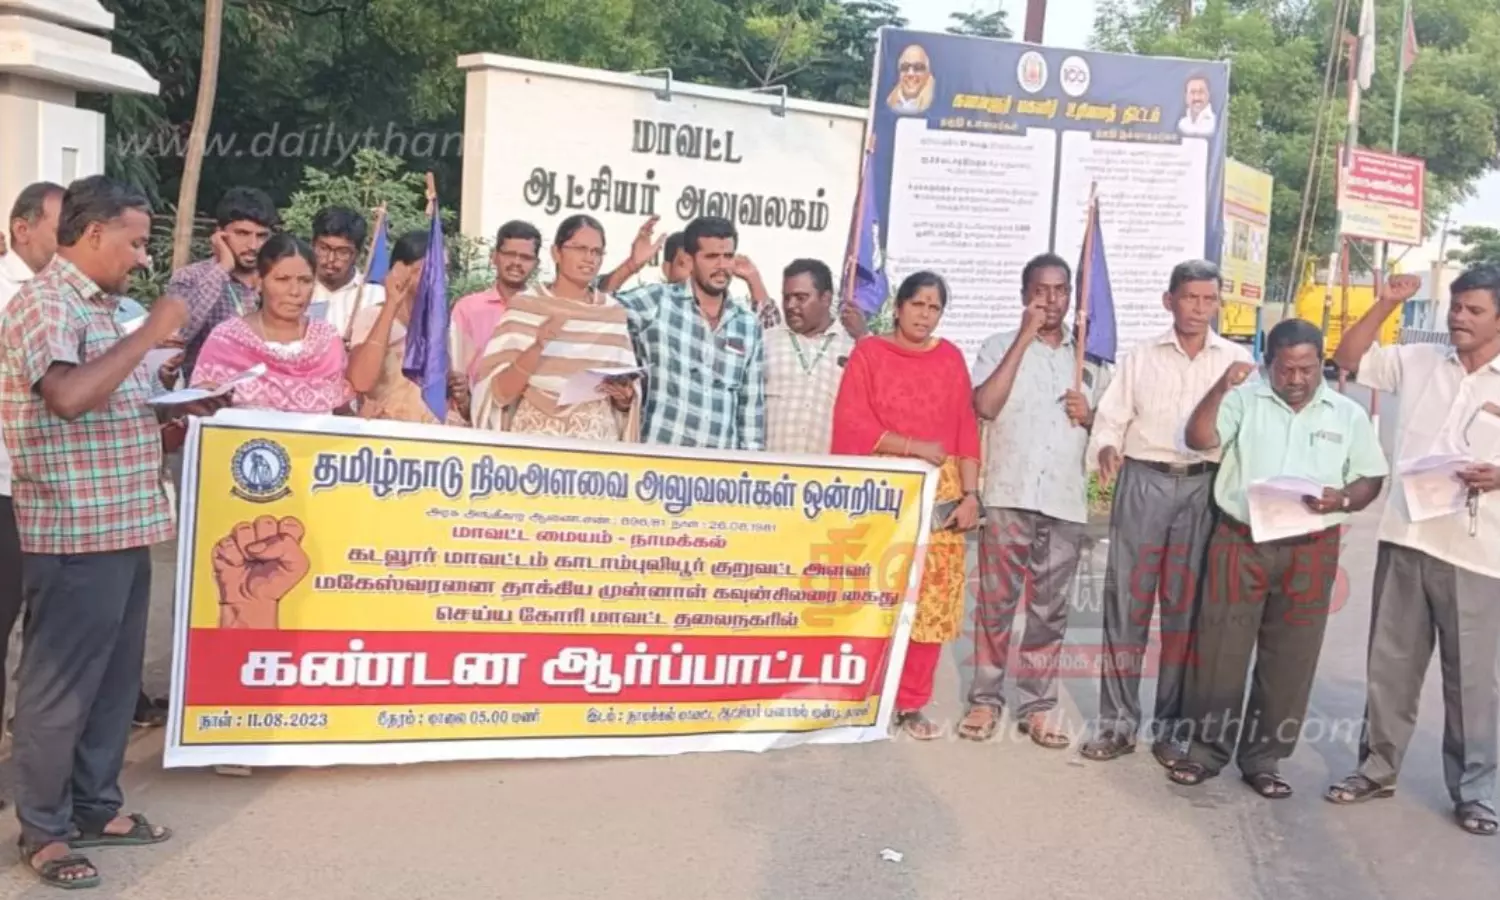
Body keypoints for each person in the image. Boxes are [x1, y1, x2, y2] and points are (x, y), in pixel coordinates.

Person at [0, 175, 191, 889]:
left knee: (112, 684)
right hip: (74, 530)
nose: (143, 258)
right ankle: (44, 831)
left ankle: (94, 807)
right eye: (136, 242)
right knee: (59, 690)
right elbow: (67, 396)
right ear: (93, 234)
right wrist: (149, 334)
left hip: (124, 520)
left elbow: (108, 404)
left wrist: (171, 413)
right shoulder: (46, 303)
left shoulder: (105, 309)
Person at [1167, 319, 1387, 798]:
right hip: (1241, 540)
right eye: (1286, 369)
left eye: (1307, 369)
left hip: (1311, 548)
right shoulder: (1245, 400)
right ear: (1269, 366)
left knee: (1291, 657)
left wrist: (1342, 499)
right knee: (1220, 649)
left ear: (1321, 365)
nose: (1297, 379)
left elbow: (1370, 477)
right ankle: (1205, 751)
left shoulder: (1346, 415)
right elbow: (1199, 438)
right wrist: (1220, 388)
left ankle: (1264, 759)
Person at [1325, 268, 1500, 837]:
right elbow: (1348, 358)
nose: (1459, 318)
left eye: (1474, 310)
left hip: (1478, 552)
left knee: (1472, 681)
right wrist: (1384, 304)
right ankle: (1376, 769)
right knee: (1390, 666)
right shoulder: (1421, 360)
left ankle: (1476, 792)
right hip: (1405, 537)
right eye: (1456, 307)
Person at [1080, 259, 1253, 765]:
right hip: (1144, 480)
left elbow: (1247, 431)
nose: (1199, 308)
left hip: (1203, 487)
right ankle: (1117, 724)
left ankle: (1172, 727)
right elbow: (1111, 418)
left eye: (1208, 299)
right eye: (1190, 298)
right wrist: (1107, 448)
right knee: (1127, 605)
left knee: (1184, 612)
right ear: (1169, 301)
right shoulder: (1141, 357)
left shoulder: (1237, 361)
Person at [958, 254, 1109, 748]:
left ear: (1071, 296)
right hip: (1009, 492)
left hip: (1063, 500)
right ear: (1024, 295)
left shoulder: (1090, 360)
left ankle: (1038, 706)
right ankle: (985, 700)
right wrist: (1023, 338)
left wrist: (1090, 416)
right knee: (996, 603)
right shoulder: (997, 345)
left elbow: (1111, 432)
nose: (1051, 300)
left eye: (1060, 290)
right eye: (1041, 290)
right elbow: (985, 406)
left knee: (1049, 610)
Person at [831, 270, 981, 739]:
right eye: (918, 304)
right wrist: (912, 447)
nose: (925, 315)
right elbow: (851, 422)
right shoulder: (870, 354)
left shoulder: (950, 358)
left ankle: (911, 702)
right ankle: (861, 693)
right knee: (876, 591)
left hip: (941, 491)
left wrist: (972, 495)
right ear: (898, 307)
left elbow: (965, 429)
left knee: (931, 598)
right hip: (884, 491)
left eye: (935, 307)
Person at [0, 181, 64, 775]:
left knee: (45, 626)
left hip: (51, 484)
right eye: (59, 227)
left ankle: (32, 759)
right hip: (5, 481)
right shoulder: (10, 295)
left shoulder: (67, 294)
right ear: (22, 229)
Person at [470, 215, 639, 440]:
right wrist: (537, 348)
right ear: (556, 253)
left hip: (596, 441)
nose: (589, 258)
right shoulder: (526, 307)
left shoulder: (611, 314)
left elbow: (625, 402)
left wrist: (624, 399)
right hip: (534, 439)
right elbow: (498, 395)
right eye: (579, 248)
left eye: (596, 252)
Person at [616, 215, 766, 450]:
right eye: (711, 257)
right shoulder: (658, 301)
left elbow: (750, 414)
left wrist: (750, 465)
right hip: (657, 459)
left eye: (728, 256)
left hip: (718, 466)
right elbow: (594, 308)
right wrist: (629, 267)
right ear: (689, 260)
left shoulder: (747, 324)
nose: (722, 266)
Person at [191, 234, 354, 415]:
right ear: (259, 281)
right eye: (282, 279)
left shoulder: (326, 340)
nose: (295, 291)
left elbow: (342, 409)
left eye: (305, 281)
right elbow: (199, 412)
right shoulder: (227, 340)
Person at [157, 187, 278, 387]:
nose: (253, 245)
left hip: (268, 393)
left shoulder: (277, 279)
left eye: (261, 236)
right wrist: (223, 268)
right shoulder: (190, 278)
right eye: (242, 233)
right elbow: (178, 336)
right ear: (219, 234)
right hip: (208, 395)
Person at [348, 230, 469, 425]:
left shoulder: (444, 327)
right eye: (432, 269)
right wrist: (391, 304)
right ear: (400, 270)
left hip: (437, 435)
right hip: (390, 431)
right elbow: (360, 381)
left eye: (445, 270)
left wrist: (462, 396)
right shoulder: (373, 317)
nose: (442, 279)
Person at [762, 259, 855, 455]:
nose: (790, 305)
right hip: (769, 469)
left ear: (826, 298)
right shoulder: (765, 342)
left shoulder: (852, 348)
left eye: (800, 297)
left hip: (827, 471)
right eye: (786, 298)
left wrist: (864, 337)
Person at [450, 220, 542, 380]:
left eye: (526, 257)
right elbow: (456, 368)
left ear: (536, 264)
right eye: (510, 254)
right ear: (494, 257)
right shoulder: (468, 309)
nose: (516, 262)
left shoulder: (543, 311)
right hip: (474, 395)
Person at [308, 205, 386, 337]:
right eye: (324, 248)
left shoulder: (375, 297)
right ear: (312, 245)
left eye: (342, 252)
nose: (331, 259)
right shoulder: (295, 289)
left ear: (358, 254)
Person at [887, 44, 935, 114]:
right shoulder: (889, 104)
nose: (910, 73)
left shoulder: (935, 104)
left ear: (927, 73)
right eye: (905, 67)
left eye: (918, 67)